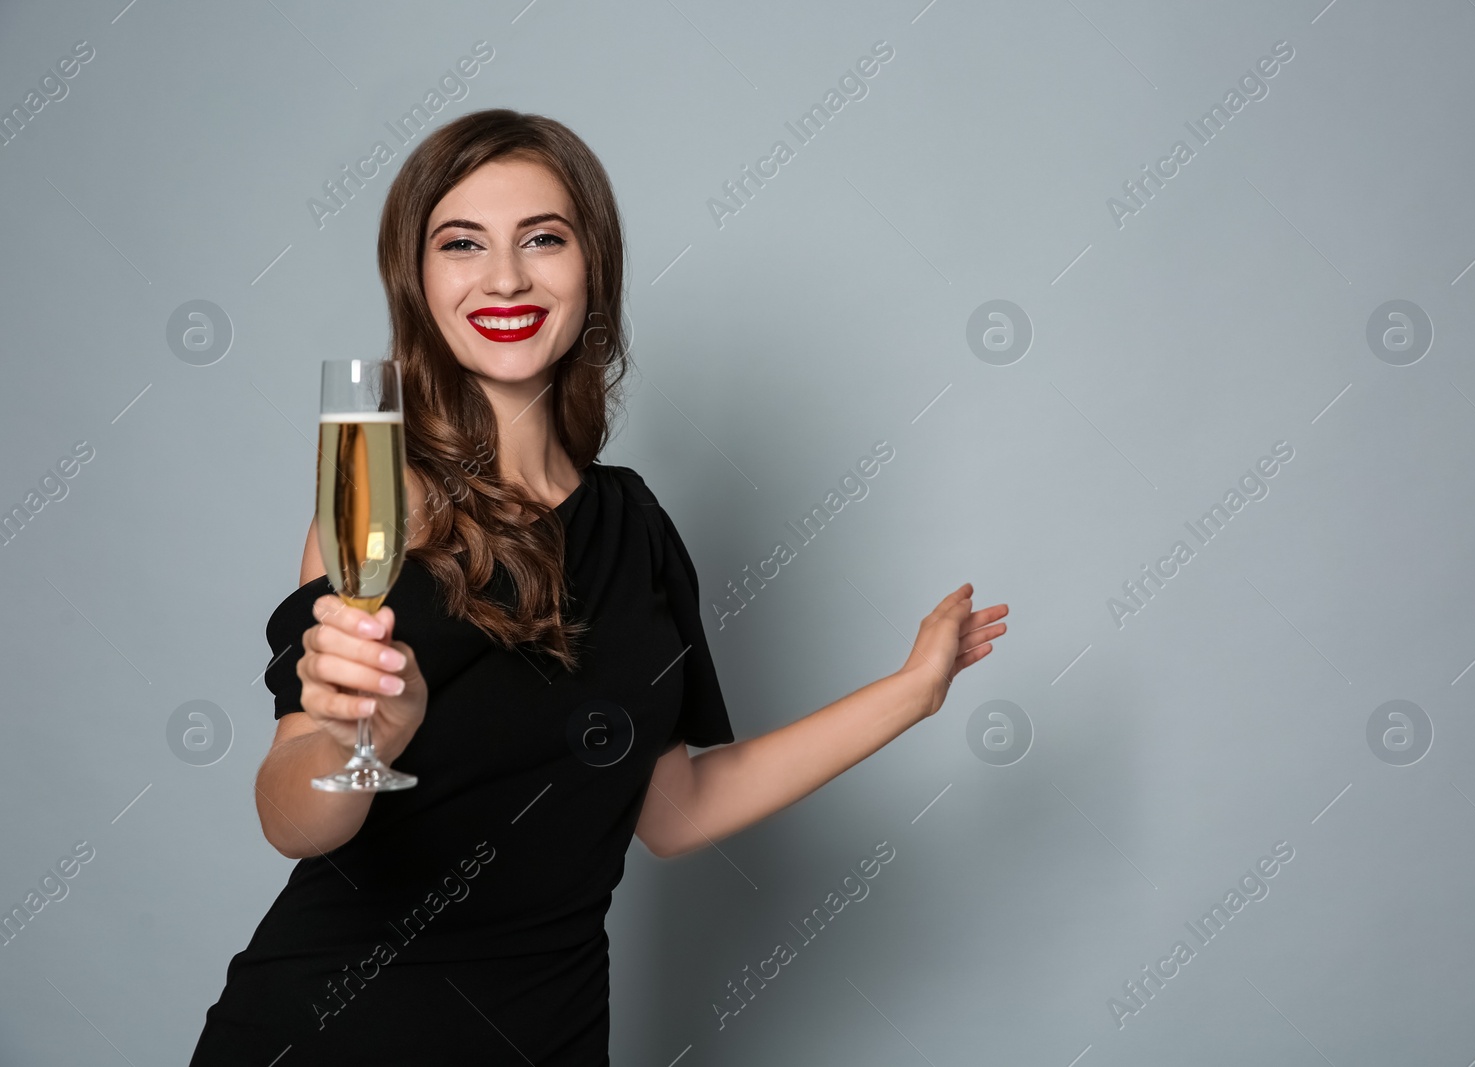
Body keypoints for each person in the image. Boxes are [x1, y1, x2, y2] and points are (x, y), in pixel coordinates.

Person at [189, 108, 1008, 1065]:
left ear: (594, 270)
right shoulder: (385, 499)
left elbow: (675, 810)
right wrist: (355, 734)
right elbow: (290, 814)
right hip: (338, 1029)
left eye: (543, 238)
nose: (505, 277)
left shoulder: (637, 528)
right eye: (462, 244)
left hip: (552, 1031)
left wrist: (910, 693)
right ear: (419, 282)